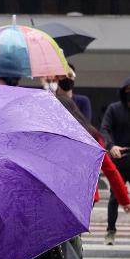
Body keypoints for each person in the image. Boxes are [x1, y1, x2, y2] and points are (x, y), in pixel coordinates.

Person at [56, 95, 130, 231]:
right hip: (85, 198)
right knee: (72, 236)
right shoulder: (90, 135)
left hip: (60, 196)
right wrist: (124, 199)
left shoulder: (52, 135)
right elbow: (110, 170)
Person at [101, 77, 130, 244]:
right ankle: (110, 230)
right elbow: (104, 129)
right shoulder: (114, 109)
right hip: (119, 157)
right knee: (114, 196)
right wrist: (111, 146)